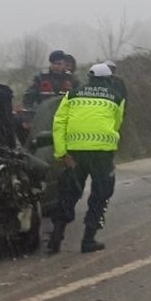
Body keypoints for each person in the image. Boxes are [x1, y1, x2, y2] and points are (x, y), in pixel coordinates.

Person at [49, 62, 125, 254]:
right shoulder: (117, 98)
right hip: (101, 154)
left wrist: (61, 153)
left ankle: (56, 237)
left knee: (68, 193)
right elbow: (116, 125)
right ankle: (88, 238)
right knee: (101, 194)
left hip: (74, 153)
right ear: (109, 79)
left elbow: (59, 123)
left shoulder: (72, 94)